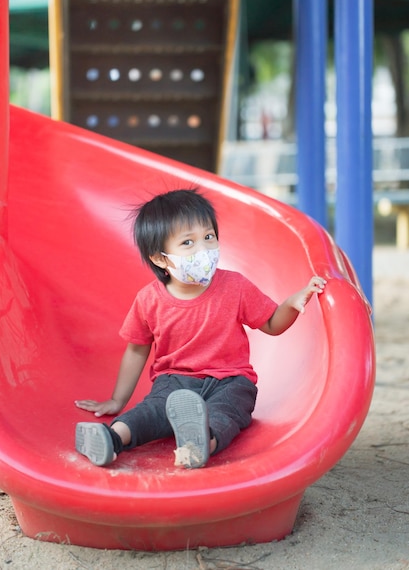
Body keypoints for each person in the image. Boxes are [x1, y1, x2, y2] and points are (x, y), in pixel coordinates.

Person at [75, 188, 326, 469]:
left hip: (231, 380)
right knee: (151, 410)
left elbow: (270, 324)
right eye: (188, 243)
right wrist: (117, 400)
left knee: (226, 412)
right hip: (174, 381)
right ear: (160, 259)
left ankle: (199, 444)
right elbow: (136, 350)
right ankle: (111, 439)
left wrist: (292, 302)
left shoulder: (235, 286)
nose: (203, 250)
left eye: (208, 237)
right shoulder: (149, 299)